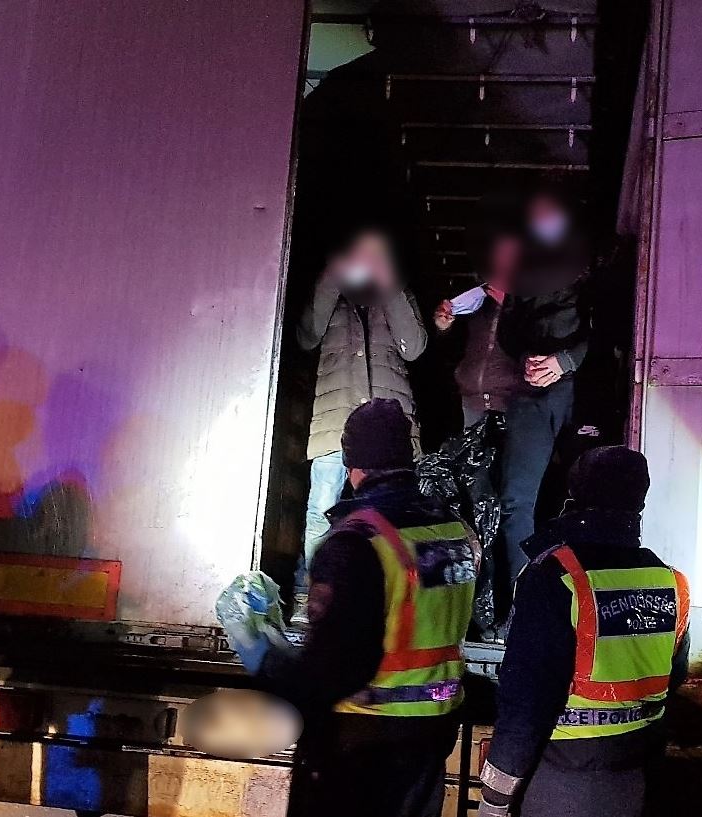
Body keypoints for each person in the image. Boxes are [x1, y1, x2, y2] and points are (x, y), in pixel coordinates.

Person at [233, 399, 479, 817]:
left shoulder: (356, 542)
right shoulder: (452, 528)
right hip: (434, 729)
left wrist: (264, 658)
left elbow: (335, 670)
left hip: (366, 741)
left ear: (352, 466)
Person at [479, 446, 689, 817]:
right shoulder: (671, 582)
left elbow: (527, 700)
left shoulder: (556, 576)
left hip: (564, 778)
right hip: (636, 774)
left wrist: (497, 794)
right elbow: (675, 677)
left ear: (575, 493)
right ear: (640, 501)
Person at [434, 190, 589, 615]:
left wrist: (565, 360)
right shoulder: (508, 290)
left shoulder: (581, 272)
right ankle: (516, 607)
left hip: (572, 400)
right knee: (511, 502)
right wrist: (526, 353)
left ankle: (557, 605)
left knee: (567, 502)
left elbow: (607, 330)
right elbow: (509, 341)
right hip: (523, 400)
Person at [294, 227, 427, 621]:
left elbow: (415, 347)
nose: (367, 262)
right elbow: (306, 336)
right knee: (321, 508)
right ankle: (313, 595)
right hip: (334, 419)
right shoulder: (331, 293)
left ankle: (385, 599)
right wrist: (330, 278)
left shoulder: (396, 292)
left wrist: (390, 286)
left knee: (389, 512)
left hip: (387, 429)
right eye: (361, 254)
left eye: (376, 255)